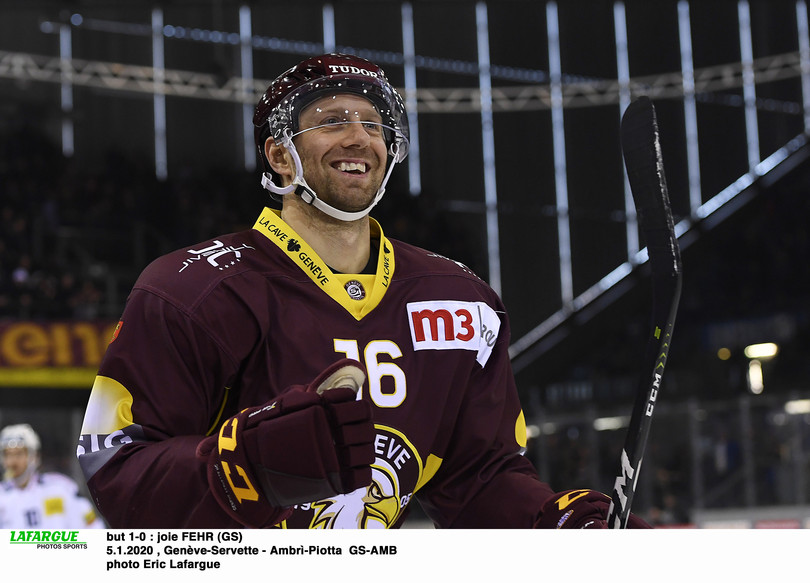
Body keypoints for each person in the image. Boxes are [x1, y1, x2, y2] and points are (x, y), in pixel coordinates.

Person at [76, 53, 648, 529]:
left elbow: (480, 477)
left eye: (374, 124)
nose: (360, 137)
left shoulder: (460, 299)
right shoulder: (191, 288)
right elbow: (114, 471)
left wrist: (548, 521)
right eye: (332, 120)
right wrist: (240, 464)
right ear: (279, 154)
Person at [1, 423, 104, 528]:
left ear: (34, 456)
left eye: (18, 454)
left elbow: (94, 529)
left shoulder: (60, 488)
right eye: (7, 455)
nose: (12, 462)